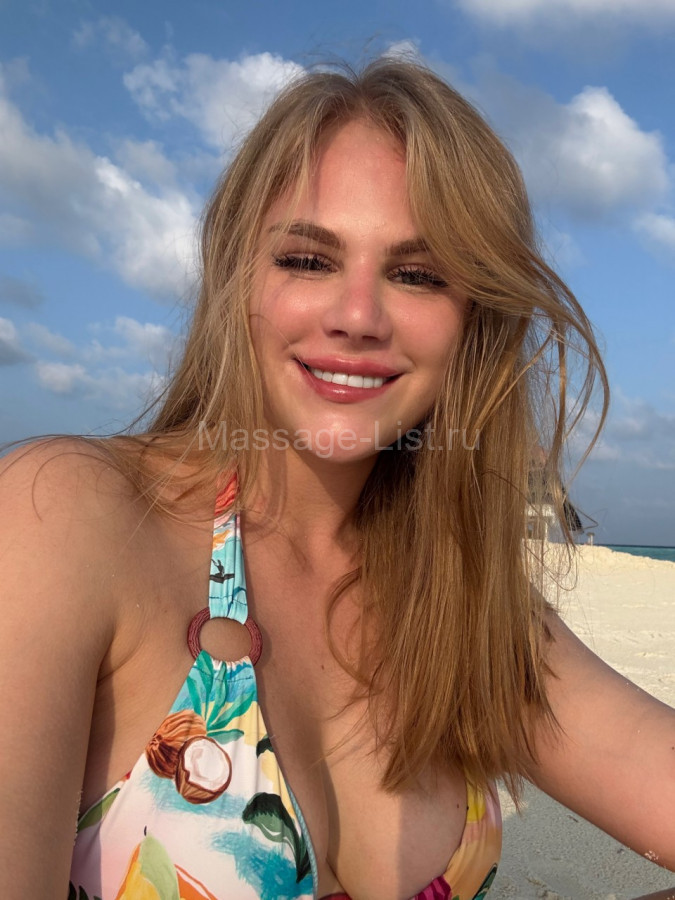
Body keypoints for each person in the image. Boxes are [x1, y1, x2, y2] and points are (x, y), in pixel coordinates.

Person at [1, 58, 673, 900]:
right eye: (308, 260)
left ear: (472, 320)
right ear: (237, 280)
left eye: (417, 274)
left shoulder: (462, 605)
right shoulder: (67, 519)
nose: (357, 317)